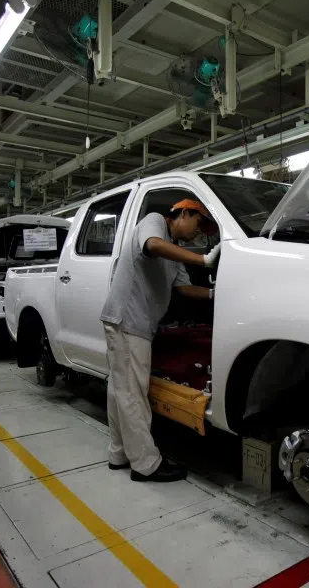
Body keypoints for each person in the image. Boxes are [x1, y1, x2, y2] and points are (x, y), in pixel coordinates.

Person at [100, 199, 220, 483]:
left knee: (120, 391)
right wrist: (202, 259)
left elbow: (185, 288)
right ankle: (146, 464)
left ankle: (119, 453)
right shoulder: (155, 222)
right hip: (130, 321)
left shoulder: (175, 254)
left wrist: (218, 294)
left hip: (128, 322)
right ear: (184, 213)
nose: (199, 233)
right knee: (132, 394)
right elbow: (152, 245)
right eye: (199, 223)